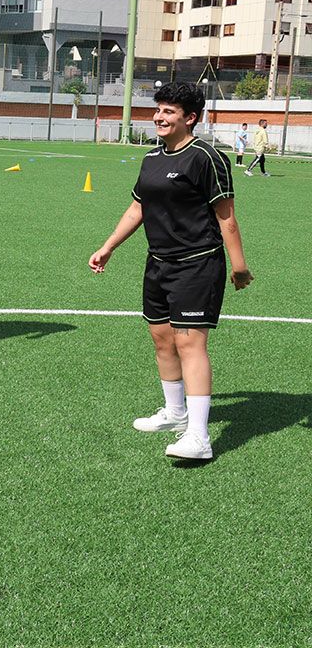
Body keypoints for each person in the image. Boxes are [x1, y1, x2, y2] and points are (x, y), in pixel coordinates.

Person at [89, 82, 252, 461]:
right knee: (162, 338)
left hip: (198, 264)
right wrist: (108, 246)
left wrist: (239, 266)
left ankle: (199, 437)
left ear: (190, 118)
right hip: (158, 262)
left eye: (168, 111)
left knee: (189, 343)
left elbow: (225, 216)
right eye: (158, 109)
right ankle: (175, 413)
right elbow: (137, 208)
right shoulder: (152, 158)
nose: (158, 116)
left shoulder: (206, 158)